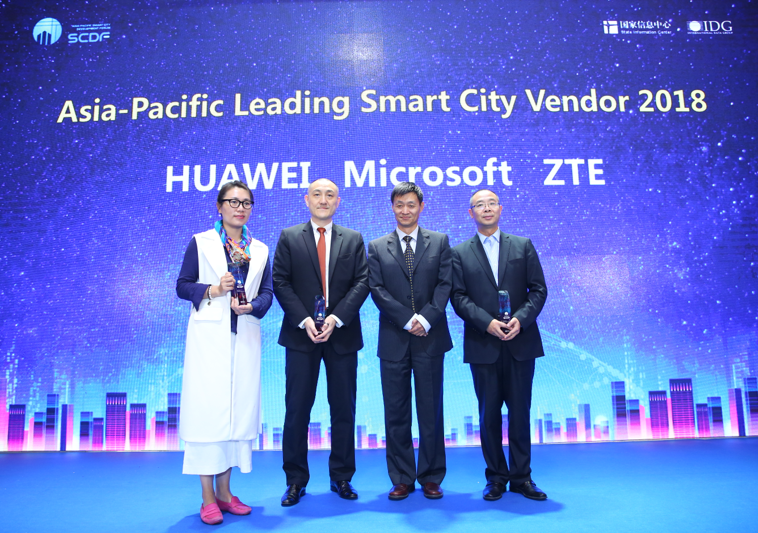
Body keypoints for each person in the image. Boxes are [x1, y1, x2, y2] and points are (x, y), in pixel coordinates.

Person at [176, 181, 273, 525]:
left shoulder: (259, 249)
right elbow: (182, 285)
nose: (240, 208)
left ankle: (225, 493)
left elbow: (268, 293)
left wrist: (253, 307)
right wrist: (214, 290)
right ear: (219, 206)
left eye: (246, 202)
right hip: (208, 338)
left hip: (243, 336)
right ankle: (207, 498)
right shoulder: (201, 242)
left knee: (236, 415)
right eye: (233, 201)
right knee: (209, 414)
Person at [272, 178, 370, 506]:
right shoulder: (289, 237)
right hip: (301, 336)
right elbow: (280, 281)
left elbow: (362, 282)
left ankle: (341, 477)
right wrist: (304, 320)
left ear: (338, 202)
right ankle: (295, 481)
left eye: (330, 195)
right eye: (317, 194)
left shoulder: (353, 238)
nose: (323, 200)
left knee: (343, 409)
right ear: (307, 200)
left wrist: (335, 318)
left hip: (341, 334)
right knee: (296, 410)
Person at [450, 189, 548, 501]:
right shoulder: (459, 253)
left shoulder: (522, 245)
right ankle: (495, 477)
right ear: (471, 213)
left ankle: (522, 478)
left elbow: (538, 290)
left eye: (492, 203)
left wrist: (521, 319)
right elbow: (458, 297)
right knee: (488, 415)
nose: (487, 208)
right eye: (480, 205)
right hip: (483, 343)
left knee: (520, 413)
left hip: (521, 342)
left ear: (500, 209)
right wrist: (487, 323)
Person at [367, 182, 453, 500]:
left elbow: (445, 285)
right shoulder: (377, 246)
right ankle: (402, 477)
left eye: (411, 204)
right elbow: (377, 289)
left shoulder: (440, 242)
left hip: (430, 337)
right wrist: (407, 319)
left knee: (431, 411)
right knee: (396, 412)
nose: (405, 210)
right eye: (399, 205)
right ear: (392, 207)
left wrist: (425, 319)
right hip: (394, 338)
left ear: (421, 207)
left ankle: (431, 476)